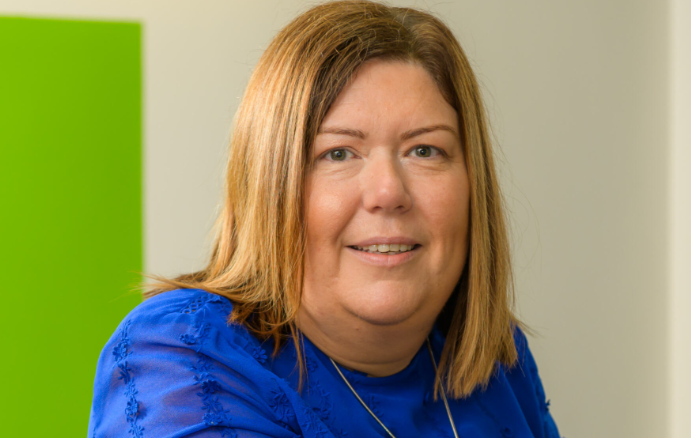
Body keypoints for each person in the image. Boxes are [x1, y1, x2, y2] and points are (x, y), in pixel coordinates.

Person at [87, 1, 561, 437]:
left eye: (424, 150)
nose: (388, 192)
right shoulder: (183, 355)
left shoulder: (497, 360)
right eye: (338, 153)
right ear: (271, 188)